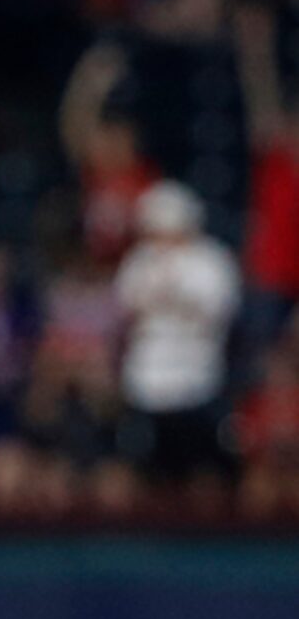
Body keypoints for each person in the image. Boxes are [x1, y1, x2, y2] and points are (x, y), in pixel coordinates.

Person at [113, 181, 239, 505]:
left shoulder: (213, 261)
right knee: (144, 471)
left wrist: (173, 299)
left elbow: (218, 313)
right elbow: (126, 310)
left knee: (203, 471)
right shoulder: (138, 262)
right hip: (145, 379)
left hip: (199, 378)